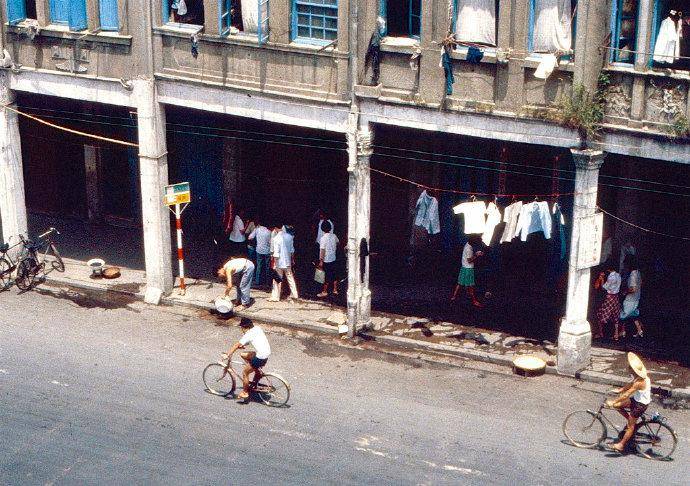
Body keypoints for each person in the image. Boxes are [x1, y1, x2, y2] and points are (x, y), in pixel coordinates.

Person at [606, 352, 652, 453]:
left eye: (630, 367)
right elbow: (630, 384)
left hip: (640, 405)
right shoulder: (638, 377)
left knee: (630, 426)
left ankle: (621, 445)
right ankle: (631, 421)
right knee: (617, 406)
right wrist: (620, 390)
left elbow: (627, 395)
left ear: (634, 370)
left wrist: (613, 401)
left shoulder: (640, 382)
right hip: (636, 400)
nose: (628, 367)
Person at [224, 318, 271, 402]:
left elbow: (236, 345)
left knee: (245, 373)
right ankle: (257, 372)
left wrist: (228, 355)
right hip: (266, 353)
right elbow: (251, 340)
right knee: (243, 354)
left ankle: (245, 392)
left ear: (244, 327)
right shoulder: (257, 328)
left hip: (260, 357)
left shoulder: (248, 334)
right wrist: (242, 345)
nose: (241, 329)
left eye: (241, 327)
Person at [450, 236, 484, 308]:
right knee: (471, 285)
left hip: (464, 267)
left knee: (460, 283)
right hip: (469, 269)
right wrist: (477, 255)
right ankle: (474, 301)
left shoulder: (467, 245)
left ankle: (453, 297)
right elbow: (469, 260)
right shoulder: (469, 249)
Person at [269, 225, 299, 302]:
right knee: (290, 278)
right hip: (288, 261)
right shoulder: (289, 237)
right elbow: (292, 250)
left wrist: (274, 263)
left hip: (279, 262)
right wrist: (292, 260)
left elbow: (276, 253)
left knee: (277, 280)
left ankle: (276, 296)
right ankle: (295, 294)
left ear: (275, 228)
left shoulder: (276, 238)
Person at [593, 261, 622, 340]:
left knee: (601, 314)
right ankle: (616, 334)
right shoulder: (618, 275)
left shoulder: (610, 277)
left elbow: (603, 288)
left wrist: (602, 279)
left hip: (609, 297)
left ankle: (600, 333)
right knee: (615, 316)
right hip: (615, 297)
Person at [621, 254, 644, 338]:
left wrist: (625, 292)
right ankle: (639, 331)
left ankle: (622, 332)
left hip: (630, 299)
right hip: (637, 297)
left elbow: (632, 289)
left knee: (622, 316)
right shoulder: (638, 272)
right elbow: (641, 283)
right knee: (634, 315)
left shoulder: (632, 275)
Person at [317, 220, 339, 298]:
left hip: (326, 259)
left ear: (322, 229)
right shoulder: (334, 236)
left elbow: (322, 250)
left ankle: (325, 291)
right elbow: (338, 243)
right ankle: (335, 290)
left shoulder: (323, 238)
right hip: (333, 258)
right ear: (330, 228)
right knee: (334, 274)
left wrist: (321, 261)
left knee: (325, 276)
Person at [248, 218, 272, 287]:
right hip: (267, 251)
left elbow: (250, 237)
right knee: (267, 267)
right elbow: (270, 242)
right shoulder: (269, 232)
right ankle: (268, 282)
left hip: (259, 250)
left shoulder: (257, 230)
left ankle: (257, 281)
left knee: (259, 266)